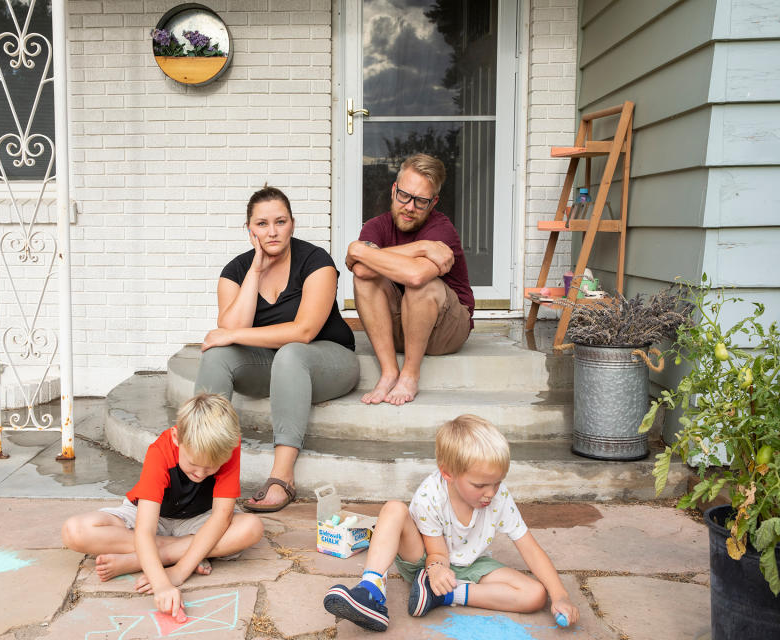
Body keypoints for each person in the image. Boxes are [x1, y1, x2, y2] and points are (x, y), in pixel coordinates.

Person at [322, 414, 579, 633]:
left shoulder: (498, 497)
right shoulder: (430, 494)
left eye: (497, 482)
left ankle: (441, 595)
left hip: (469, 564)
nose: (491, 492)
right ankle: (371, 591)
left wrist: (560, 595)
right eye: (480, 485)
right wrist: (435, 569)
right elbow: (436, 551)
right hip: (423, 557)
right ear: (448, 473)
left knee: (535, 595)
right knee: (393, 509)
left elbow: (529, 548)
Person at [195, 185, 360, 513]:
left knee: (291, 351)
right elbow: (229, 331)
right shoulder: (236, 271)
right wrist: (255, 271)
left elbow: (304, 330)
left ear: (293, 224)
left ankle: (282, 477)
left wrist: (233, 334)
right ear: (249, 229)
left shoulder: (316, 262)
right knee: (217, 356)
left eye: (280, 222)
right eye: (262, 224)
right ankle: (198, 465)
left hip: (329, 360)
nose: (272, 232)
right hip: (275, 366)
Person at [61, 394, 264, 619]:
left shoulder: (227, 445)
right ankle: (184, 552)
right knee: (75, 531)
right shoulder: (161, 450)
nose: (200, 474)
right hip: (152, 518)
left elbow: (220, 518)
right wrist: (161, 585)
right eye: (194, 464)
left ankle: (148, 559)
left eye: (210, 469)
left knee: (251, 527)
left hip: (200, 519)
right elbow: (145, 530)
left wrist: (177, 573)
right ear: (177, 438)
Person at [346, 153, 474, 406]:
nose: (409, 207)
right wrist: (423, 248)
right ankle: (389, 371)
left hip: (445, 330)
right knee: (364, 279)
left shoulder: (442, 229)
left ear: (434, 202)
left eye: (421, 201)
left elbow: (416, 275)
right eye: (404, 195)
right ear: (394, 190)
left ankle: (410, 374)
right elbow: (361, 272)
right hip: (400, 325)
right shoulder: (376, 226)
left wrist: (360, 250)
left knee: (420, 285)